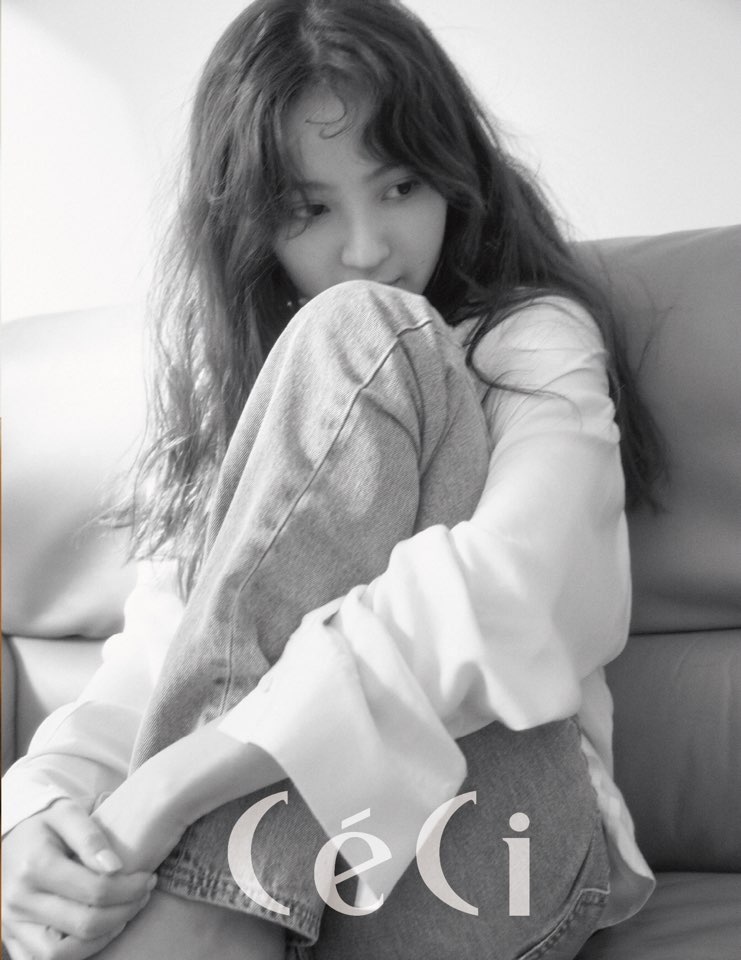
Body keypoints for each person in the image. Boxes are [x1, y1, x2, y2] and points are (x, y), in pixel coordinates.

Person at [1, 0, 666, 957]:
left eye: (400, 186)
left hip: (487, 848)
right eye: (308, 209)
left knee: (366, 327)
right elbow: (165, 663)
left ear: (456, 175)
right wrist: (34, 811)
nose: (367, 247)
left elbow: (511, 595)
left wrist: (172, 788)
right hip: (301, 888)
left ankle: (206, 918)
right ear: (248, 228)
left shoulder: (530, 341)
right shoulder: (246, 397)